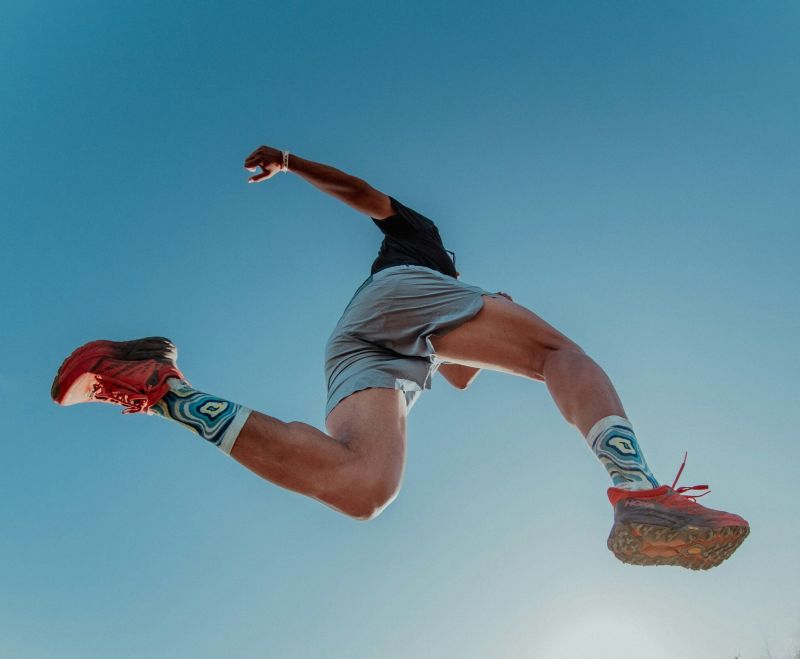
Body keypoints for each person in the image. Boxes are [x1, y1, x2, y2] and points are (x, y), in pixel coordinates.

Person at [51, 145, 749, 570]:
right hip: (396, 305)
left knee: (363, 487)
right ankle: (636, 486)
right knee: (557, 353)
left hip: (369, 348)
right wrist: (291, 163)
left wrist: (493, 323)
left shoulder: (445, 310)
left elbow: (459, 372)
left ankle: (160, 386)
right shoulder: (424, 243)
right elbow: (364, 195)